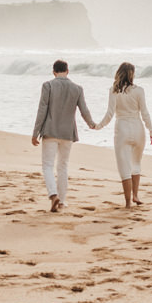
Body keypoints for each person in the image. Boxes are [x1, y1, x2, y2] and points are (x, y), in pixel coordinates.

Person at [30, 59, 96, 213]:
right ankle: (63, 201)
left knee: (47, 165)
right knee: (63, 166)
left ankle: (53, 195)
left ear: (54, 72)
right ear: (68, 71)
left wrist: (35, 133)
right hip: (67, 133)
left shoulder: (48, 86)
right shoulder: (77, 88)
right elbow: (84, 110)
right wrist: (91, 124)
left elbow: (42, 111)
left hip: (50, 131)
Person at [95, 61, 152, 209]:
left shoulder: (113, 90)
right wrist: (151, 130)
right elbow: (145, 113)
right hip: (138, 128)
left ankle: (128, 202)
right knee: (136, 164)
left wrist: (98, 126)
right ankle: (136, 195)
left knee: (124, 167)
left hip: (122, 129)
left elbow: (109, 114)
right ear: (132, 74)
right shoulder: (140, 91)